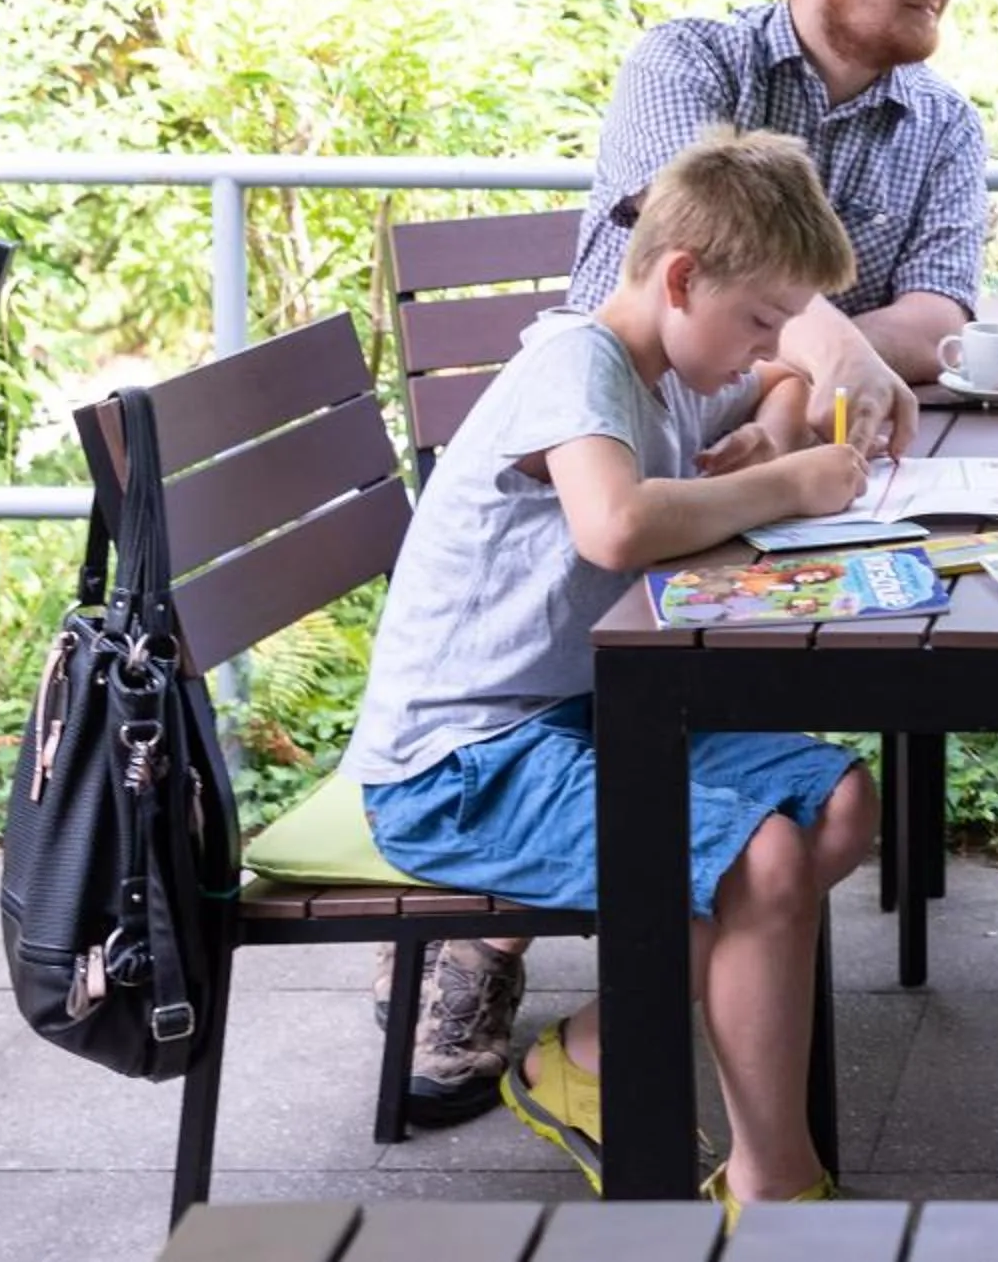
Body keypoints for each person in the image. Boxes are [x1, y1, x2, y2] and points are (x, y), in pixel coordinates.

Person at [382, 0, 998, 1119]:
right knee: (759, 848)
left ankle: (609, 1044)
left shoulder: (938, 121)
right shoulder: (692, 64)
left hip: (640, 529)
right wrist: (806, 365)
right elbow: (681, 232)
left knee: (827, 803)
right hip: (514, 675)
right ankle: (500, 949)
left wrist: (778, 377)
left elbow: (935, 320)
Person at [340, 126, 881, 1214]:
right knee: (759, 864)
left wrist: (776, 418)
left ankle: (583, 1057)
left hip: (586, 718)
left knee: (838, 800)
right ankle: (779, 1183)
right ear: (681, 277)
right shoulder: (575, 363)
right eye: (762, 317)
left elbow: (769, 383)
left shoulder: (670, 363)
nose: (772, 342)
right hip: (459, 764)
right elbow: (617, 524)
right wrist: (788, 484)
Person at [575, 0, 998, 401]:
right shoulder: (688, 60)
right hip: (625, 423)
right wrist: (833, 357)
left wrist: (792, 381)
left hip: (800, 434)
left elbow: (935, 327)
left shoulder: (947, 124)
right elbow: (702, 234)